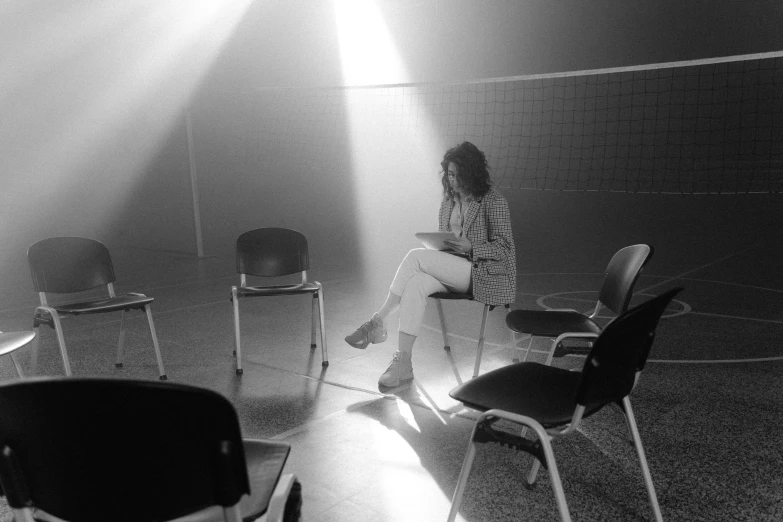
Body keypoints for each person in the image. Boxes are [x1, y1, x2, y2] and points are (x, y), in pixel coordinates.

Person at [345, 141, 517, 387]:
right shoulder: (448, 201)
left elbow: (506, 249)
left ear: (473, 173)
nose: (454, 181)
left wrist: (473, 248)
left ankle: (377, 322)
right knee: (415, 283)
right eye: (450, 174)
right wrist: (442, 246)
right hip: (453, 268)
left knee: (415, 257)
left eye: (459, 175)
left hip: (482, 273)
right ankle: (403, 363)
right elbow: (444, 240)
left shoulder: (493, 200)